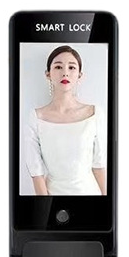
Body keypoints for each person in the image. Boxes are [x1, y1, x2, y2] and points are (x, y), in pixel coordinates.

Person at [24, 45, 106, 195]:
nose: (65, 73)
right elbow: (36, 172)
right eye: (58, 67)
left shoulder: (94, 114)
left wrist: (106, 203)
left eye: (72, 67)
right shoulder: (36, 117)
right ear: (48, 74)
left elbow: (99, 165)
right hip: (53, 198)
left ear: (80, 75)